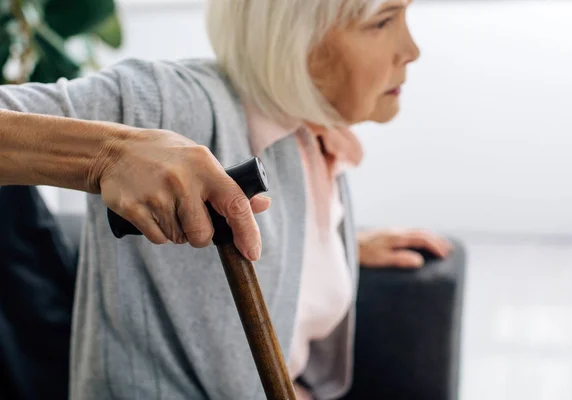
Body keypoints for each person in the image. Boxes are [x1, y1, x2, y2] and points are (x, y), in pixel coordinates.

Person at [0, 0, 453, 398]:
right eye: (382, 21)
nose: (411, 49)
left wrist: (333, 245)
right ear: (296, 34)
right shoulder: (169, 102)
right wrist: (108, 154)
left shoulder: (314, 131)